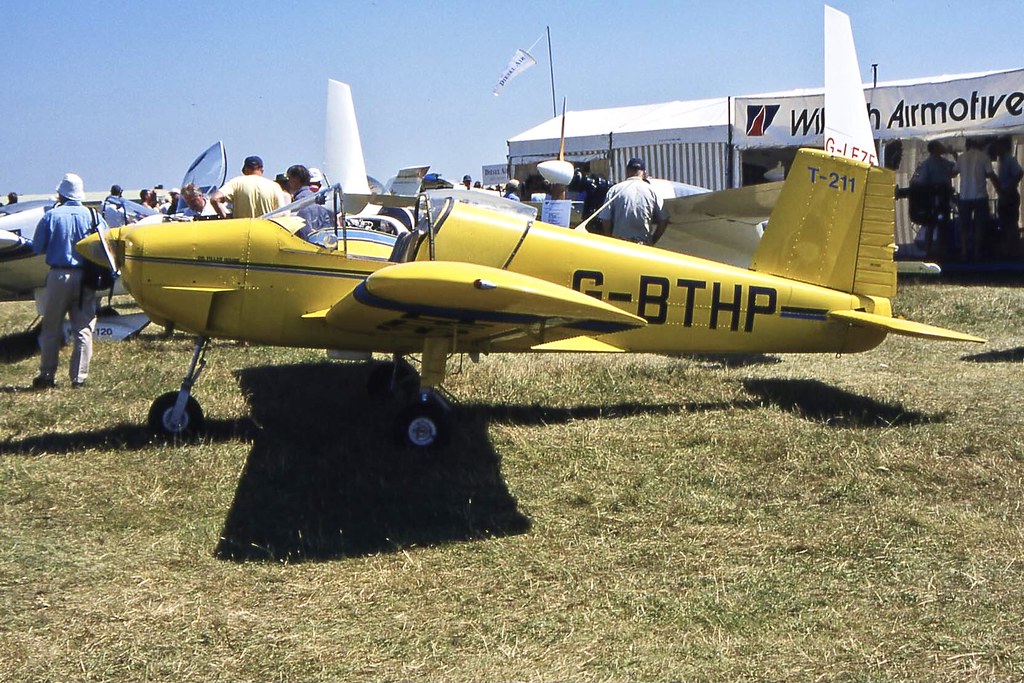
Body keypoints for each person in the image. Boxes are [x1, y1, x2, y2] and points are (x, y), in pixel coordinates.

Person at [30, 173, 107, 389]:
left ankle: (47, 375)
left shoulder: (51, 216)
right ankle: (79, 378)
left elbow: (38, 247)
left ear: (61, 194)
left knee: (51, 326)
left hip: (59, 274)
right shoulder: (93, 216)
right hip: (86, 277)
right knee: (83, 329)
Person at [596, 157, 669, 245]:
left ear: (627, 171)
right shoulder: (652, 191)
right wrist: (653, 240)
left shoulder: (615, 190)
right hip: (642, 244)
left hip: (619, 243)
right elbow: (664, 219)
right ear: (644, 172)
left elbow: (605, 219)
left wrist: (610, 240)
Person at [909, 141, 955, 257]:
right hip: (932, 197)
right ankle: (929, 250)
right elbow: (922, 181)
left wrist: (954, 154)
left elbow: (956, 171)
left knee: (943, 223)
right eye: (940, 146)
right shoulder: (927, 164)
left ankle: (942, 250)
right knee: (930, 223)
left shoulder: (945, 162)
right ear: (934, 149)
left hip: (944, 196)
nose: (942, 148)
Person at [954, 138, 996, 261]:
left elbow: (953, 173)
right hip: (979, 195)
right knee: (979, 225)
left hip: (965, 196)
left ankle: (964, 251)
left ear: (967, 145)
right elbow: (990, 174)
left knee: (964, 225)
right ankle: (977, 252)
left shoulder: (961, 158)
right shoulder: (984, 157)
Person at [210, 155, 285, 218]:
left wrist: (226, 218)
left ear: (245, 169)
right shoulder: (274, 186)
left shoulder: (236, 183)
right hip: (265, 232)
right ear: (261, 170)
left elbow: (214, 199)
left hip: (243, 231)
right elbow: (282, 212)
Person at [991, 136, 1023, 253]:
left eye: (998, 147)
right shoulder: (1002, 160)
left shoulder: (1009, 159)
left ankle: (1014, 248)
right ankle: (1009, 247)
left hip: (1010, 194)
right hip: (1004, 193)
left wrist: (1010, 187)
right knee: (1004, 221)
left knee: (1011, 222)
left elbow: (1019, 172)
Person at [285, 164, 332, 239]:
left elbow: (303, 224)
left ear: (296, 179)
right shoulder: (313, 196)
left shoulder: (301, 199)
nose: (288, 182)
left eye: (289, 178)